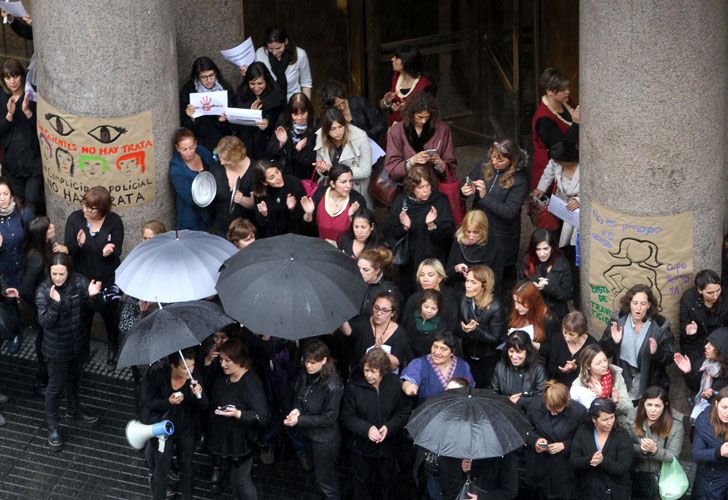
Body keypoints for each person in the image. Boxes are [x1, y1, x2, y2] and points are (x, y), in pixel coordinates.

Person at [35, 253, 102, 449]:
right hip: (55, 349)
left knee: (74, 381)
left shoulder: (79, 282)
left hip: (77, 345)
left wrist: (93, 295)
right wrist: (55, 303)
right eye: (54, 273)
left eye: (61, 273)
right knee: (55, 388)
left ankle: (75, 411)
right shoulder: (44, 291)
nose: (57, 277)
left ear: (68, 271)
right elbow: (45, 322)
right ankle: (53, 426)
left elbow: (92, 309)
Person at [340, 348, 412, 500]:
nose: (368, 375)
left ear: (384, 371)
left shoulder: (395, 384)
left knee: (387, 482)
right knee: (362, 483)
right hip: (361, 448)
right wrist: (367, 429)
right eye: (366, 370)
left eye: (373, 371)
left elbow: (403, 412)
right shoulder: (353, 386)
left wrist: (389, 427)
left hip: (388, 448)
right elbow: (347, 417)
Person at [64, 186, 124, 365]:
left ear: (102, 208)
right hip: (82, 279)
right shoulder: (75, 219)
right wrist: (79, 244)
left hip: (107, 279)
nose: (85, 210)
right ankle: (84, 351)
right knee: (83, 318)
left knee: (110, 317)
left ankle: (113, 346)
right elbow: (70, 249)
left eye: (91, 208)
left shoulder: (114, 221)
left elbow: (117, 248)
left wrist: (110, 250)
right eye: (84, 205)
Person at [207, 337, 269, 499]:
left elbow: (262, 416)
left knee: (241, 480)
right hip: (225, 437)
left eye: (228, 360)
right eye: (221, 359)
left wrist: (238, 414)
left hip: (242, 442)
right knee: (234, 479)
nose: (223, 364)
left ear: (240, 360)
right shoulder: (225, 375)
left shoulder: (251, 383)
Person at [142, 349, 207, 500]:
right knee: (162, 468)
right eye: (185, 367)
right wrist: (168, 402)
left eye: (192, 366)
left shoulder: (194, 378)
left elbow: (204, 405)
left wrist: (199, 395)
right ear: (173, 366)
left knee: (187, 466)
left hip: (186, 429)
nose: (190, 370)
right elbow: (148, 401)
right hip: (164, 430)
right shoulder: (159, 376)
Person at [462, 139, 529, 285]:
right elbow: (467, 180)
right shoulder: (485, 163)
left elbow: (509, 211)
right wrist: (465, 191)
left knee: (499, 277)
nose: (494, 162)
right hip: (479, 228)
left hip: (502, 235)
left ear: (512, 161)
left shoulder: (520, 180)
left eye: (500, 160)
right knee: (477, 271)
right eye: (492, 156)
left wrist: (485, 197)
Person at [284, 340, 343, 500]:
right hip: (309, 434)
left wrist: (300, 420)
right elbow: (299, 395)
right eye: (306, 361)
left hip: (324, 440)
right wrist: (296, 409)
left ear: (324, 360)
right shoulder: (306, 374)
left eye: (313, 362)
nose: (308, 365)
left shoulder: (332, 386)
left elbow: (328, 418)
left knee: (326, 481)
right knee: (316, 473)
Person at [384, 165, 455, 298]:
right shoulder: (401, 202)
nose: (426, 191)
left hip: (434, 260)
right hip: (409, 264)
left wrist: (432, 225)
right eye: (420, 187)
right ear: (411, 188)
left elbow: (448, 234)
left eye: (427, 186)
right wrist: (404, 228)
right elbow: (390, 233)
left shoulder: (439, 200)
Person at [600, 284, 674, 402]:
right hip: (623, 384)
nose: (638, 308)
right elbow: (603, 352)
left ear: (649, 305)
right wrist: (614, 342)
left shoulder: (660, 325)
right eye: (635, 303)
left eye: (643, 304)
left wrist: (656, 352)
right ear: (629, 303)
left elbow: (670, 357)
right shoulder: (618, 320)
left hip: (650, 385)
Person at [19, 216, 65, 391]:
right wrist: (42, 304)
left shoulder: (44, 248)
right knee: (44, 341)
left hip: (45, 305)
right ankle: (44, 377)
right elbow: (25, 289)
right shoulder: (37, 260)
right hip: (42, 308)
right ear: (42, 234)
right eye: (49, 226)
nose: (53, 226)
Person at [525, 380, 587, 499]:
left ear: (567, 402)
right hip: (539, 466)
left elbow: (583, 439)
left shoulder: (579, 412)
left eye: (558, 409)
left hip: (563, 470)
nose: (553, 413)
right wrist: (536, 441)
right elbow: (526, 428)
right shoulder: (535, 405)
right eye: (550, 408)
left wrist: (565, 445)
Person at [383, 90, 455, 184]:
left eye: (427, 117)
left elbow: (452, 166)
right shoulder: (397, 131)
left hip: (434, 185)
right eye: (420, 117)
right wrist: (412, 161)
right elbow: (391, 170)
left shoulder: (443, 129)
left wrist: (439, 163)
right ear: (411, 113)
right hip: (407, 186)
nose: (423, 121)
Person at [0, 59, 43, 213]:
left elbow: (42, 128)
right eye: (8, 77)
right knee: (18, 200)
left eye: (15, 76)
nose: (12, 81)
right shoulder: (2, 98)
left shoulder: (32, 95)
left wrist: (27, 111)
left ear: (22, 76)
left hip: (32, 159)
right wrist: (9, 114)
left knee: (32, 198)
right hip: (13, 161)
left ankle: (36, 233)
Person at [570, 398, 634, 500]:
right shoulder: (583, 432)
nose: (610, 422)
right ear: (594, 419)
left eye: (612, 417)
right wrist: (590, 460)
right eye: (605, 419)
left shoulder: (622, 436)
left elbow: (623, 467)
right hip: (589, 491)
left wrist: (603, 461)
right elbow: (574, 460)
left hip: (616, 492)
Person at [629, 386, 684, 500]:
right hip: (635, 473)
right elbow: (624, 446)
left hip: (660, 476)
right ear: (644, 403)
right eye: (649, 405)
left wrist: (655, 451)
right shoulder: (633, 416)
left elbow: (673, 457)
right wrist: (642, 449)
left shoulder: (676, 425)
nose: (652, 410)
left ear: (665, 405)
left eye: (657, 405)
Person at [679, 269, 728, 393]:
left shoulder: (726, 297)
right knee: (696, 373)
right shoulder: (689, 298)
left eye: (718, 290)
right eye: (710, 293)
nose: (715, 296)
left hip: (719, 345)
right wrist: (691, 331)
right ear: (700, 290)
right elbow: (684, 325)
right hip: (696, 344)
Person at [530, 68, 580, 189]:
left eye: (567, 87)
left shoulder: (566, 102)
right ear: (550, 91)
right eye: (563, 90)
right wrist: (576, 123)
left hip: (571, 166)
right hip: (551, 174)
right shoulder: (544, 119)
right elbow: (561, 152)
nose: (568, 91)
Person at [314, 107, 373, 207]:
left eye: (340, 127)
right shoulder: (320, 135)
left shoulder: (360, 136)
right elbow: (320, 167)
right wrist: (323, 170)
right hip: (333, 191)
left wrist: (334, 171)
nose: (338, 132)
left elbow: (366, 171)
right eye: (333, 129)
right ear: (326, 130)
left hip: (355, 189)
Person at [340, 292, 412, 373]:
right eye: (376, 308)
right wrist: (340, 317)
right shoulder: (363, 321)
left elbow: (395, 365)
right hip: (359, 375)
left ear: (392, 313)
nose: (378, 313)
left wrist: (381, 351)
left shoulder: (400, 332)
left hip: (385, 379)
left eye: (384, 310)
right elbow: (348, 331)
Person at [459, 265, 506, 387]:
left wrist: (475, 331)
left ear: (484, 286)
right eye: (467, 281)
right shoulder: (465, 299)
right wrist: (463, 330)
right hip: (467, 353)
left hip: (487, 358)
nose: (468, 285)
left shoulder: (496, 307)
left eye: (473, 282)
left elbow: (495, 338)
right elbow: (458, 323)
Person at [0, 177, 33, 353]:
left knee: (19, 301)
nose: (2, 198)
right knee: (6, 303)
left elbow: (33, 238)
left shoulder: (23, 213)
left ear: (11, 195)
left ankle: (18, 329)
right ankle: (9, 330)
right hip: (2, 272)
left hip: (21, 267)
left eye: (5, 194)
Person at [571, 344, 635, 429]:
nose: (604, 365)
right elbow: (582, 415)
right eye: (598, 363)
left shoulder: (615, 374)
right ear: (588, 366)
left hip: (618, 422)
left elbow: (628, 405)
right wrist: (605, 401)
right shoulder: (579, 385)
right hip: (593, 426)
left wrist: (616, 403)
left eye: (605, 360)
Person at [401, 331, 474, 405]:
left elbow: (469, 390)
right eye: (435, 346)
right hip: (427, 412)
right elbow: (409, 381)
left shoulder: (463, 365)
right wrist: (409, 386)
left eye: (443, 349)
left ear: (452, 352)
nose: (437, 352)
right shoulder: (418, 363)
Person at [180, 57, 236, 152]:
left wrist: (224, 120)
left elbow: (234, 113)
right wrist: (190, 117)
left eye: (211, 75)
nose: (209, 80)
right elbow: (184, 125)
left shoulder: (224, 87)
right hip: (200, 140)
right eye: (204, 77)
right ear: (197, 76)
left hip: (222, 138)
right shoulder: (188, 90)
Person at [301, 164, 367, 245]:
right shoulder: (320, 193)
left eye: (350, 181)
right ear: (332, 183)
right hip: (319, 247)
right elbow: (307, 229)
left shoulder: (357, 200)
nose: (349, 186)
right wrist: (309, 213)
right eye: (343, 182)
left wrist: (351, 218)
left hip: (344, 250)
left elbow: (362, 234)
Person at [519, 228, 573, 321]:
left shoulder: (563, 264)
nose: (542, 253)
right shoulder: (527, 261)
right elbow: (520, 286)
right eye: (538, 249)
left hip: (555, 314)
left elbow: (568, 294)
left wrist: (549, 288)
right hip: (533, 312)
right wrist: (531, 288)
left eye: (545, 249)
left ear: (552, 247)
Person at [532, 140, 580, 245]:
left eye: (561, 163)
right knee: (555, 231)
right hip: (560, 204)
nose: (557, 164)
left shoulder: (585, 168)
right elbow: (548, 173)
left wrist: (579, 201)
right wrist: (541, 188)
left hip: (576, 211)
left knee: (572, 240)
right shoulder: (556, 161)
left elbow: (593, 191)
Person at [674, 327, 728, 419]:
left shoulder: (724, 375)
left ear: (722, 350)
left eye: (712, 344)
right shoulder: (707, 363)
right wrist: (688, 371)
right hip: (700, 416)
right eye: (707, 342)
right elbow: (696, 386)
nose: (706, 346)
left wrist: (710, 397)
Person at [169, 127, 215, 231]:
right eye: (184, 149)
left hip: (212, 213)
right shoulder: (176, 170)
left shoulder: (202, 152)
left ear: (195, 144)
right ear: (177, 148)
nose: (188, 152)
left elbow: (215, 168)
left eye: (191, 147)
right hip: (192, 220)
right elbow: (190, 198)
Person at [236, 61, 285, 160]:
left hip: (267, 143)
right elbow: (238, 117)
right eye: (252, 84)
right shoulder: (243, 92)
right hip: (248, 143)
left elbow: (282, 120)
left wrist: (268, 123)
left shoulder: (276, 95)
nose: (256, 88)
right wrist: (250, 113)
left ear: (266, 80)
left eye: (260, 83)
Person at [447, 209, 504, 292]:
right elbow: (447, 273)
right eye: (468, 232)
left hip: (482, 292)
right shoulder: (459, 241)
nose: (471, 236)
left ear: (483, 230)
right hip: (459, 290)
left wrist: (478, 279)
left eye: (475, 232)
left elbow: (497, 279)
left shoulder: (494, 246)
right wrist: (456, 269)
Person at [491, 330, 547, 411]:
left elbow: (543, 398)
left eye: (519, 352)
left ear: (527, 351)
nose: (514, 356)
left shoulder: (538, 368)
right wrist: (507, 400)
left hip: (530, 415)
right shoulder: (501, 366)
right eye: (511, 351)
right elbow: (492, 393)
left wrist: (522, 401)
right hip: (506, 411)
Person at [379, 45, 434, 126]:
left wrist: (405, 110)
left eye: (397, 57)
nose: (392, 59)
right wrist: (387, 101)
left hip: (414, 132)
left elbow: (427, 116)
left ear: (406, 62)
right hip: (393, 130)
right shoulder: (394, 76)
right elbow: (381, 106)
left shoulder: (425, 85)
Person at [401, 258, 459, 336]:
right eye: (421, 275)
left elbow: (452, 326)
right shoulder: (413, 299)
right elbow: (406, 327)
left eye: (430, 275)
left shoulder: (450, 295)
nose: (425, 279)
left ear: (440, 278)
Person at [253, 25, 312, 100]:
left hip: (293, 100)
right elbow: (256, 79)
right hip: (268, 100)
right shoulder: (260, 53)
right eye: (270, 48)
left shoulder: (300, 55)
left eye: (278, 48)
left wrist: (305, 106)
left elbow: (306, 83)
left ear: (286, 41)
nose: (274, 52)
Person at [210, 135, 255, 235]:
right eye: (220, 157)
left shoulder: (254, 171)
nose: (221, 162)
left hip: (243, 232)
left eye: (225, 159)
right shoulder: (217, 168)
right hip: (220, 229)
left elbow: (254, 203)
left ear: (237, 158)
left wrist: (242, 199)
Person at [266, 92, 317, 179]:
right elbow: (270, 149)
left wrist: (298, 150)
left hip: (306, 175)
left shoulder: (315, 124)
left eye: (303, 113)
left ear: (309, 111)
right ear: (290, 114)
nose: (300, 118)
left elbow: (314, 158)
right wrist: (281, 143)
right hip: (285, 173)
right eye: (295, 114)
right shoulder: (284, 120)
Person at [251, 160, 306, 238]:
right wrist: (264, 214)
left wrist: (293, 208)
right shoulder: (260, 193)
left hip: (296, 234)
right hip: (275, 237)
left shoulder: (293, 182)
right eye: (272, 177)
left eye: (277, 172)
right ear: (265, 182)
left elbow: (304, 216)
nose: (278, 178)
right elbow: (261, 223)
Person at [542, 310, 597, 387]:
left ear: (581, 333)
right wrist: (562, 369)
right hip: (558, 387)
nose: (567, 338)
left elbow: (593, 373)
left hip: (581, 389)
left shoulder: (591, 346)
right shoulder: (557, 339)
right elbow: (551, 366)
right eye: (565, 332)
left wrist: (575, 368)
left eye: (572, 335)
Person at [319, 80, 386, 141]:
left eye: (343, 102)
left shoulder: (359, 103)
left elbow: (381, 124)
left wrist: (365, 136)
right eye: (337, 106)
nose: (342, 107)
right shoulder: (327, 115)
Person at [692, 387, 728, 500]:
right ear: (717, 404)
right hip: (710, 480)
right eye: (724, 407)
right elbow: (696, 454)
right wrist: (718, 452)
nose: (727, 413)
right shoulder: (704, 422)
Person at [509, 281, 561, 351]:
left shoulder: (548, 319)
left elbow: (554, 350)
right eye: (515, 301)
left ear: (532, 302)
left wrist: (535, 345)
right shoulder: (518, 312)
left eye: (521, 303)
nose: (516, 307)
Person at [356, 247, 403, 316]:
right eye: (358, 268)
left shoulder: (388, 291)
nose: (360, 272)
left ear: (377, 270)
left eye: (365, 270)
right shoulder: (353, 283)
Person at [403, 289, 447, 359]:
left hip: (430, 358)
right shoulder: (412, 317)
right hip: (409, 355)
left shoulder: (441, 323)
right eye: (426, 307)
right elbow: (404, 335)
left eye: (434, 308)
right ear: (420, 305)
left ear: (439, 308)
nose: (429, 311)